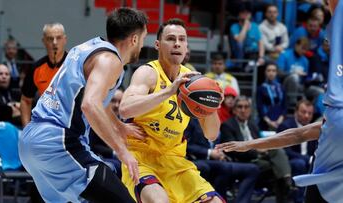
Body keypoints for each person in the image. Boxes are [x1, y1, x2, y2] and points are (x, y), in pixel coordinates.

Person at [18, 8, 148, 203]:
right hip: (59, 142)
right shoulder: (110, 60)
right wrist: (123, 151)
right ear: (135, 39)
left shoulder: (88, 47)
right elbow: (90, 104)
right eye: (144, 38)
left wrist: (119, 126)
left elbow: (96, 99)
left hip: (31, 141)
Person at [216, 3, 343, 201]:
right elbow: (295, 134)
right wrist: (249, 144)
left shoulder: (333, 118)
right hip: (324, 181)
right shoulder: (330, 123)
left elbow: (296, 134)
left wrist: (249, 143)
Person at [119, 18, 224, 203]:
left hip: (175, 160)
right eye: (171, 38)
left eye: (182, 39)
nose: (177, 43)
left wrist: (212, 107)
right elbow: (125, 109)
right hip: (141, 158)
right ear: (158, 45)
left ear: (186, 47)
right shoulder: (148, 73)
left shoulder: (193, 81)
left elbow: (211, 134)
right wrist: (169, 91)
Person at [219, 96, 292, 203]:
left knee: (276, 149)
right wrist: (257, 150)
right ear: (234, 110)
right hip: (242, 160)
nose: (243, 110)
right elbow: (231, 149)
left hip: (260, 157)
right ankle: (287, 183)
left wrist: (262, 149)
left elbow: (260, 141)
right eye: (240, 107)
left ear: (250, 110)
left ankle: (286, 182)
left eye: (246, 107)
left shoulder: (252, 124)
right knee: (277, 166)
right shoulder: (227, 125)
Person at [186, 118, 260, 203]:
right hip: (199, 159)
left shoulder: (215, 120)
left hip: (220, 159)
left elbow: (223, 141)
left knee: (252, 169)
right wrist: (210, 152)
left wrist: (222, 151)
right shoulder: (190, 120)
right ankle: (221, 199)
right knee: (223, 168)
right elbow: (186, 145)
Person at [20, 22, 68, 127]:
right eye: (50, 39)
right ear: (44, 41)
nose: (55, 43)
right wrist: (26, 130)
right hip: (46, 125)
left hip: (72, 124)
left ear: (65, 40)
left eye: (58, 38)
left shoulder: (76, 65)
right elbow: (25, 100)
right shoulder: (36, 68)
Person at [89, 88, 124, 177]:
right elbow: (94, 145)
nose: (117, 105)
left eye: (120, 102)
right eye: (113, 101)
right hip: (105, 157)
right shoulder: (97, 120)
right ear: (107, 101)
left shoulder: (126, 121)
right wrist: (115, 153)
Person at [257, 62, 286, 130]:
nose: (271, 73)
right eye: (269, 70)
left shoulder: (281, 87)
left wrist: (279, 120)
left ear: (276, 72)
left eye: (273, 71)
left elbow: (285, 105)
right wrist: (269, 122)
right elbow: (259, 107)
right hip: (265, 121)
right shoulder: (261, 88)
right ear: (265, 72)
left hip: (280, 120)